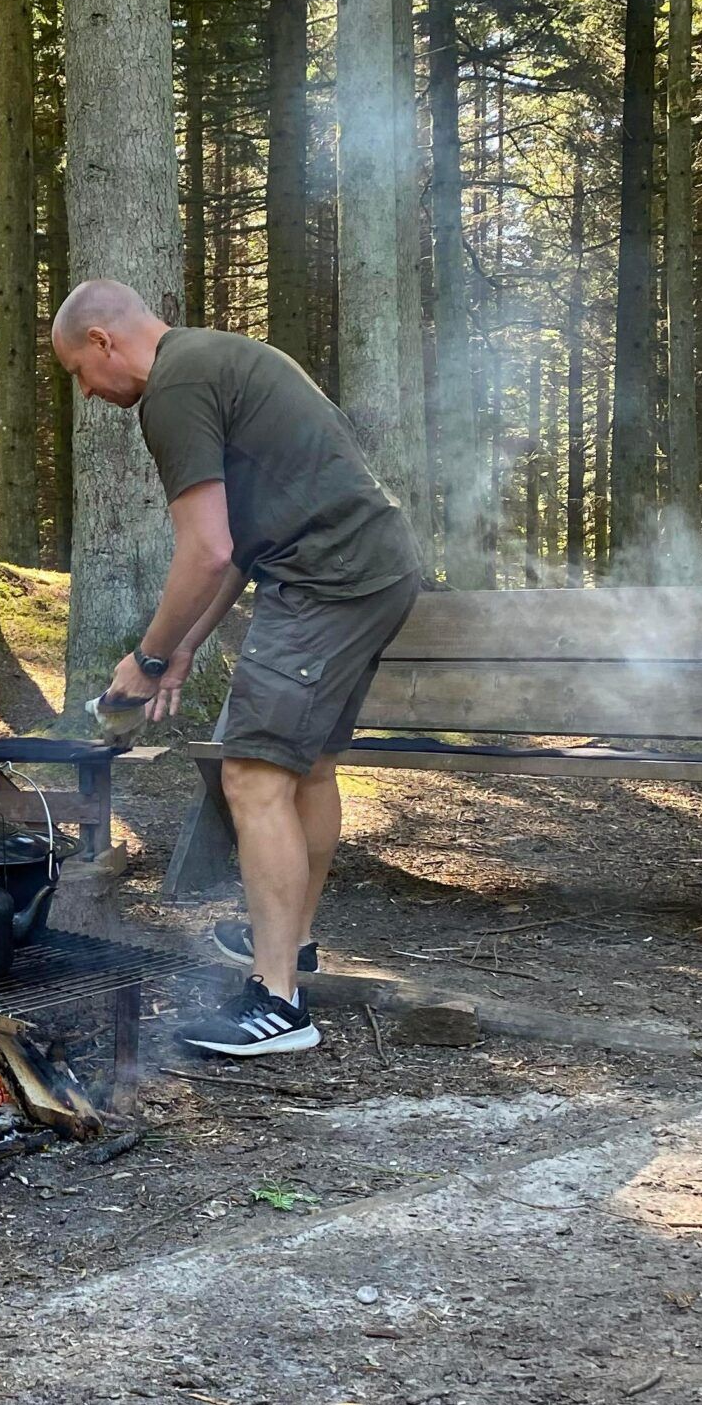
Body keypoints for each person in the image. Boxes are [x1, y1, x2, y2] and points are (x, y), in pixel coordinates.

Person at [51, 281, 423, 1057]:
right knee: (307, 767)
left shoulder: (173, 388)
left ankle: (277, 1001)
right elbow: (238, 546)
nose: (87, 393)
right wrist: (186, 645)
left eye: (78, 373)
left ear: (101, 342)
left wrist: (149, 659)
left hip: (325, 580)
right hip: (369, 568)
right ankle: (296, 942)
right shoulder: (215, 358)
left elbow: (206, 549)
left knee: (253, 777)